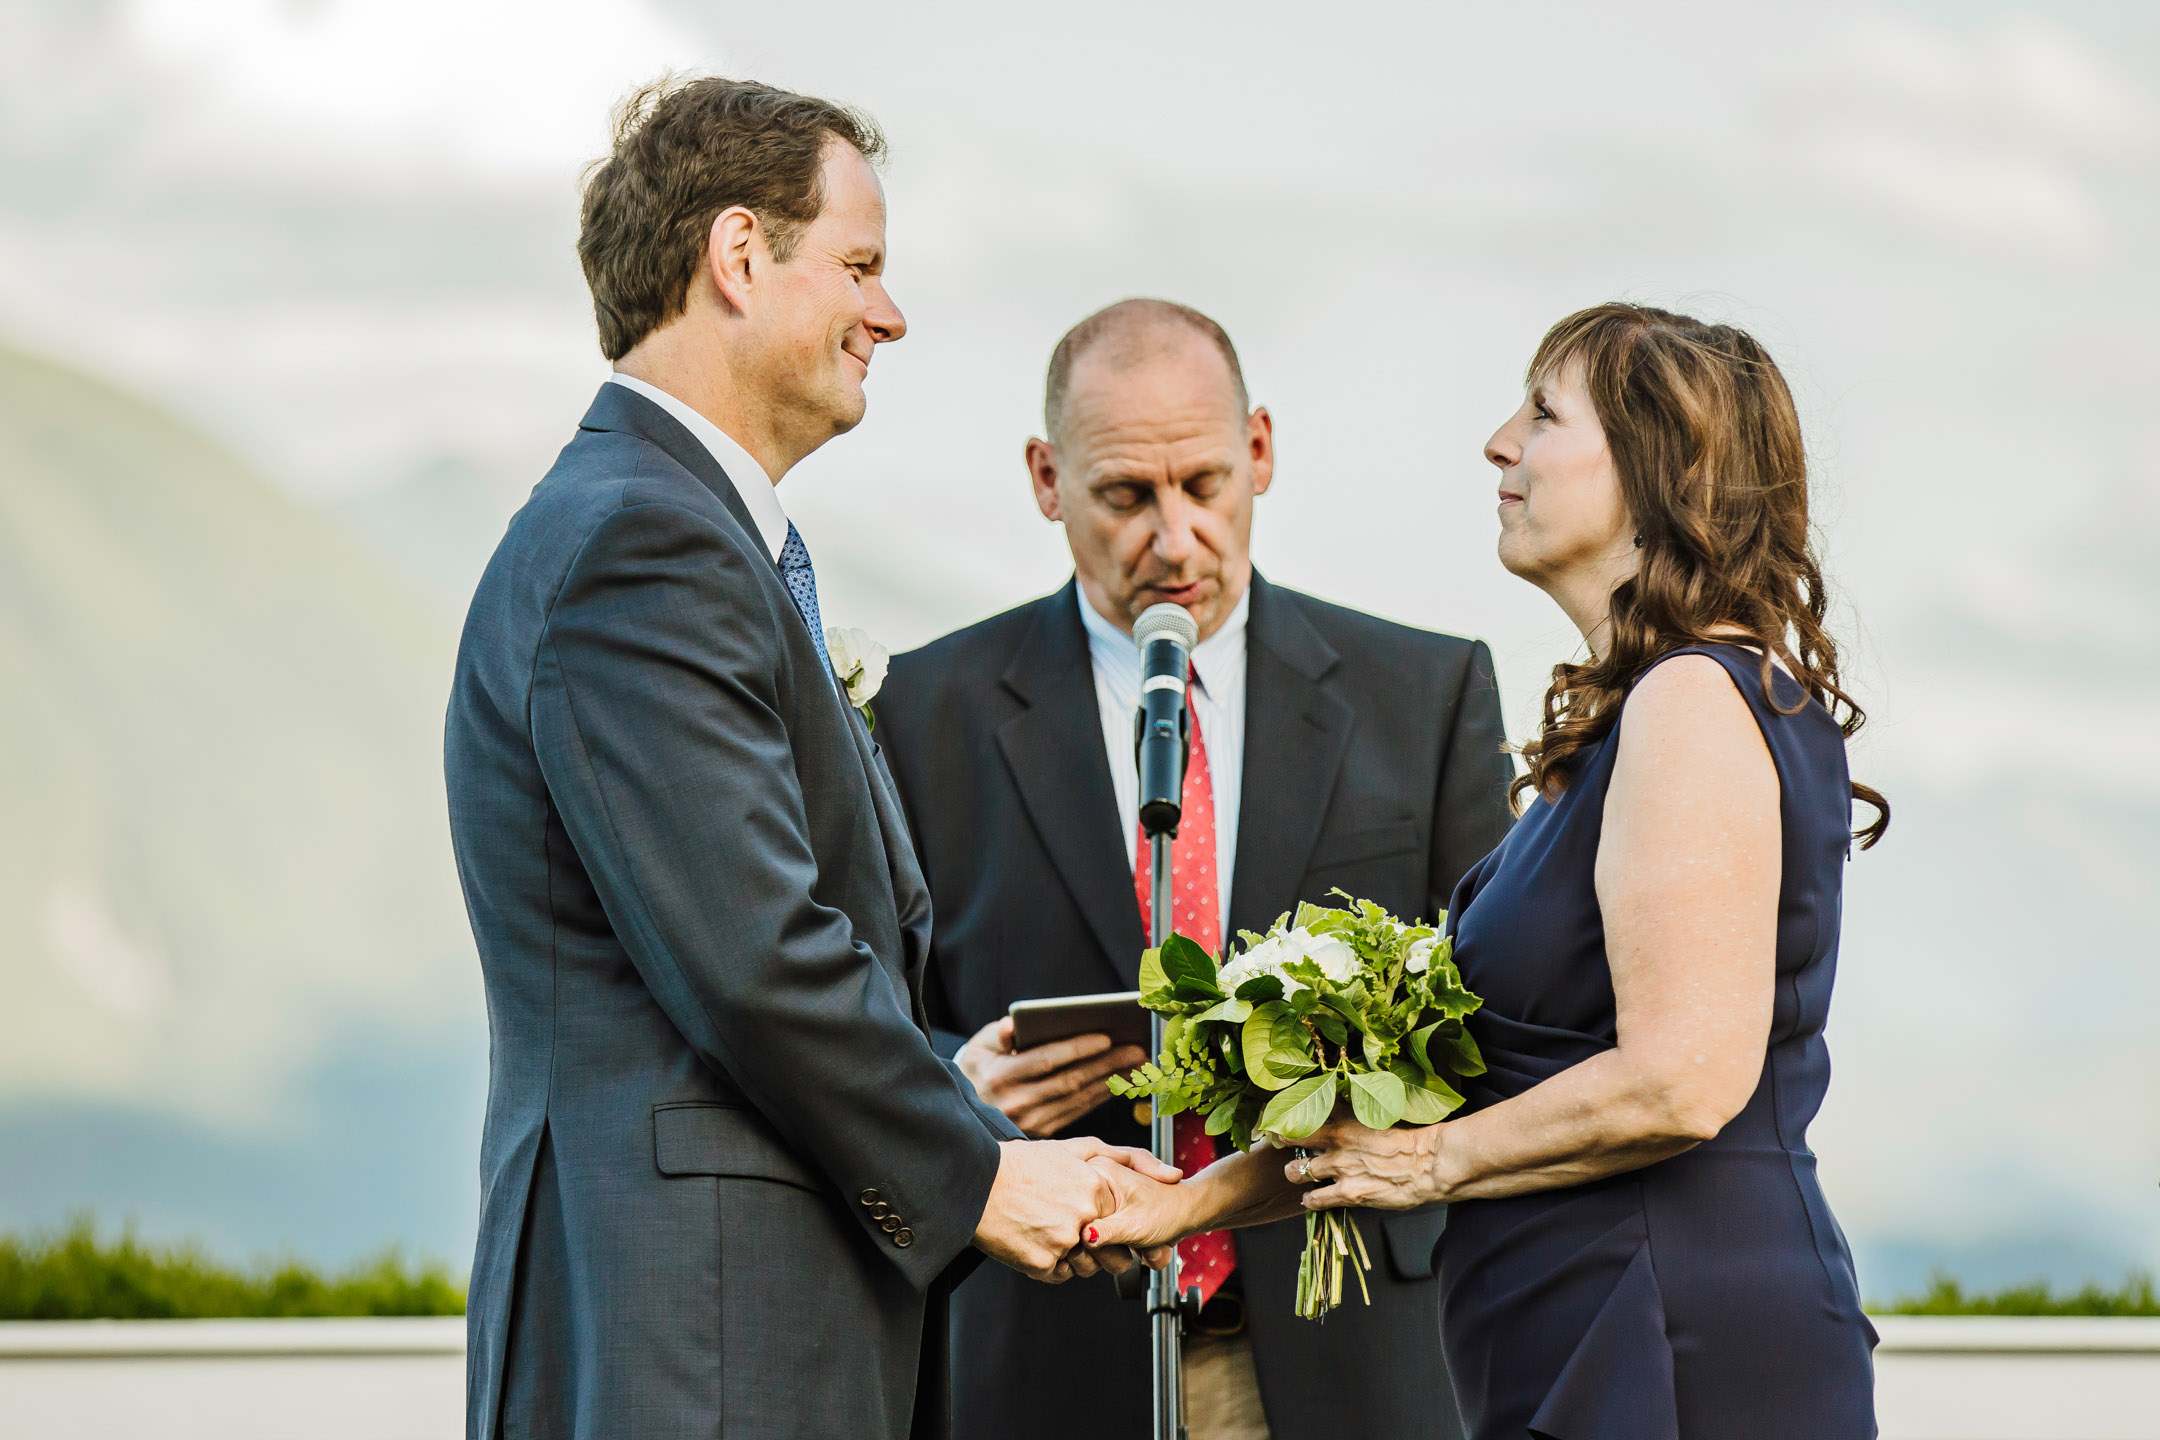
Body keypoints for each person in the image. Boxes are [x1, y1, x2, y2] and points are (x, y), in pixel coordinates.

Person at [444, 79, 1171, 1440]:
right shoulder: (639, 546)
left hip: (726, 1313)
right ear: (738, 257)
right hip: (696, 1329)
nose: (889, 314)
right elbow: (755, 953)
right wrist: (984, 1179)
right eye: (860, 265)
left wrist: (973, 1111)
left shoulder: (673, 531)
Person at [1088, 302, 1889, 1439]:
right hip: (1576, 1322)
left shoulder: (1697, 701)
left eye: (1544, 413)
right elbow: (1455, 1091)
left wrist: (1433, 1166)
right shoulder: (1636, 721)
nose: (1498, 442)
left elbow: (1684, 1081)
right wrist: (1184, 1205)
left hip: (1670, 1329)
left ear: (1661, 471)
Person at [874, 298, 1514, 1440]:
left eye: (1205, 485)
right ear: (1045, 478)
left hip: (1360, 1348)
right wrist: (957, 1086)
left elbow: (1498, 1017)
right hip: (1044, 1357)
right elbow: (861, 1013)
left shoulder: (1424, 696)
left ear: (1259, 451)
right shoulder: (924, 713)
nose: (1174, 541)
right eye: (1126, 496)